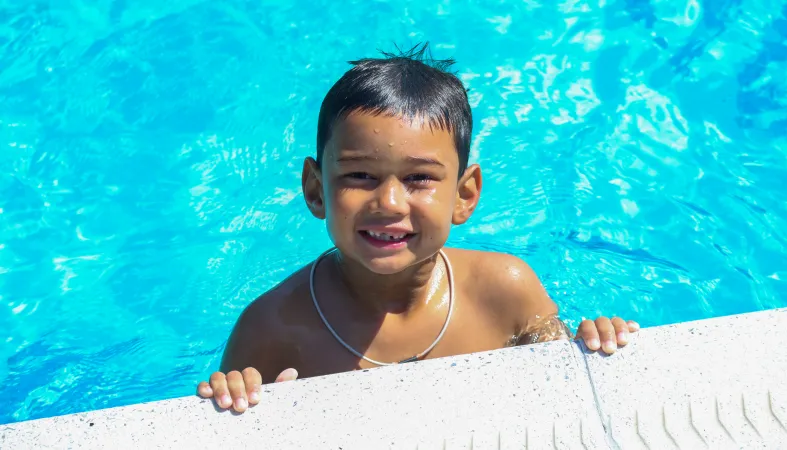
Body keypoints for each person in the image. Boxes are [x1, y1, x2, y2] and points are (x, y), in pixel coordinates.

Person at [196, 44, 640, 413]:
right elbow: (226, 416)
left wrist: (593, 344)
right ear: (315, 191)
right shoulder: (273, 327)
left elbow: (565, 397)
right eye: (359, 176)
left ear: (464, 196)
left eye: (419, 179)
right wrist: (237, 395)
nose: (389, 202)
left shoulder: (505, 291)